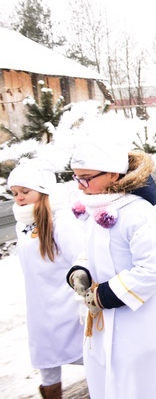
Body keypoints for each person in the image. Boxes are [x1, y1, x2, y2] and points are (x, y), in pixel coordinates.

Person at [66, 141, 156, 398]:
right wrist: (81, 269)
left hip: (141, 318)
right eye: (76, 178)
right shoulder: (96, 203)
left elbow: (152, 268)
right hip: (107, 318)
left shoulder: (136, 213)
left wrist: (104, 295)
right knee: (113, 377)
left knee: (140, 381)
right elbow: (91, 248)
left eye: (86, 178)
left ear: (113, 174)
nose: (80, 185)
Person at [8, 162, 84, 399]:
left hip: (68, 307)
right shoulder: (23, 225)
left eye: (25, 191)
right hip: (40, 308)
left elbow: (81, 258)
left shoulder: (61, 222)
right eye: (15, 193)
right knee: (46, 361)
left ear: (42, 191)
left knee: (91, 357)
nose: (19, 198)